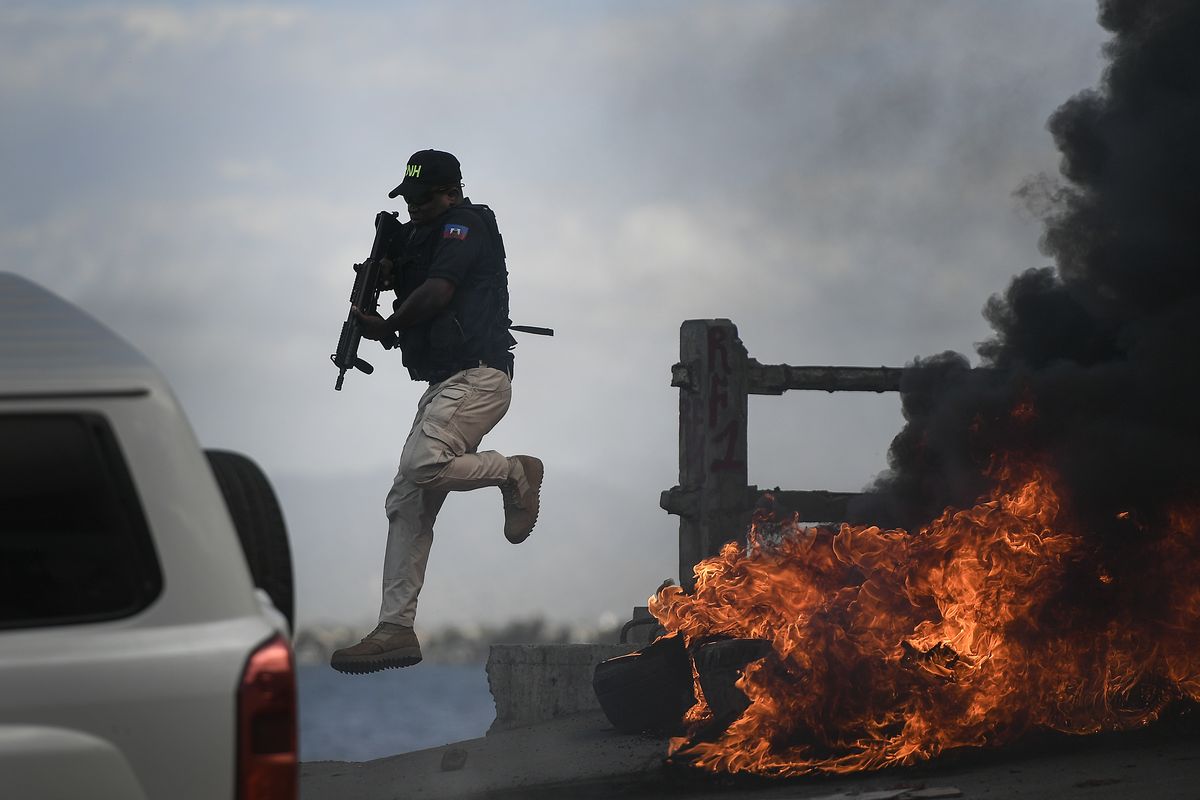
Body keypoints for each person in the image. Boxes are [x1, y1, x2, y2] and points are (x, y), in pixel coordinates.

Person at [331, 149, 544, 675]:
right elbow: (406, 272)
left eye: (423, 199)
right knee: (406, 501)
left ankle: (514, 470)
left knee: (422, 463)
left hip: (480, 376)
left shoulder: (463, 228)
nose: (415, 209)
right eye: (408, 200)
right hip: (446, 384)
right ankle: (396, 629)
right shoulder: (417, 236)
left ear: (449, 192)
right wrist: (382, 272)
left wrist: (387, 324)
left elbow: (438, 291)